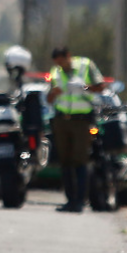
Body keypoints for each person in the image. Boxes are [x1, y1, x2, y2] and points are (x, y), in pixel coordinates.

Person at [46, 47, 105, 212]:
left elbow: (101, 86)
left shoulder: (86, 65)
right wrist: (53, 93)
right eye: (57, 63)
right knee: (65, 161)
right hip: (61, 120)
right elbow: (49, 99)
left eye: (62, 61)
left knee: (80, 160)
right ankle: (70, 199)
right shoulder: (55, 72)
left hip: (81, 121)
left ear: (68, 56)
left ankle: (80, 200)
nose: (60, 65)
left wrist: (85, 88)